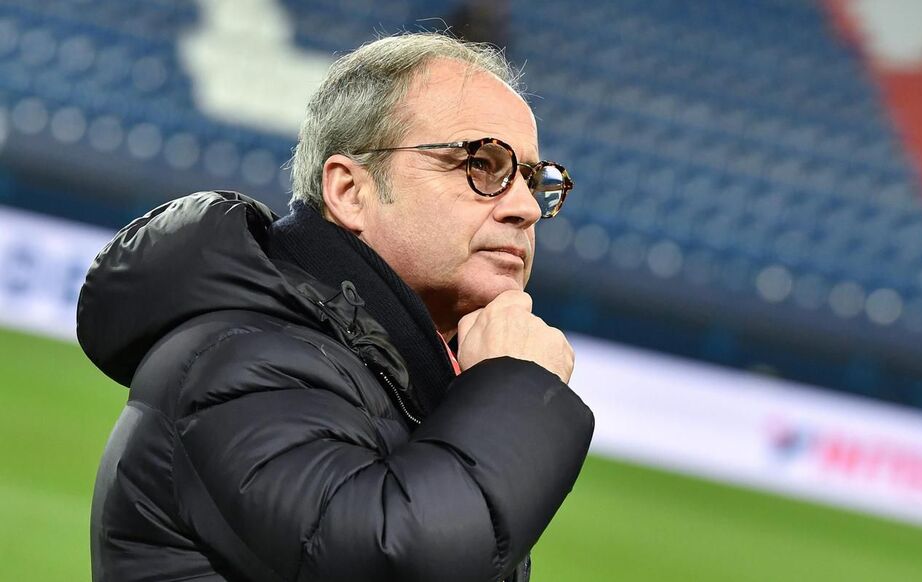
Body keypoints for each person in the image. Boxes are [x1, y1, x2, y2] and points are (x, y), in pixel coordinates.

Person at [78, 32, 594, 582]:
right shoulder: (247, 361)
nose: (525, 208)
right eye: (481, 164)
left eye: (534, 181)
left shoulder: (382, 372)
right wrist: (514, 390)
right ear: (350, 191)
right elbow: (396, 558)